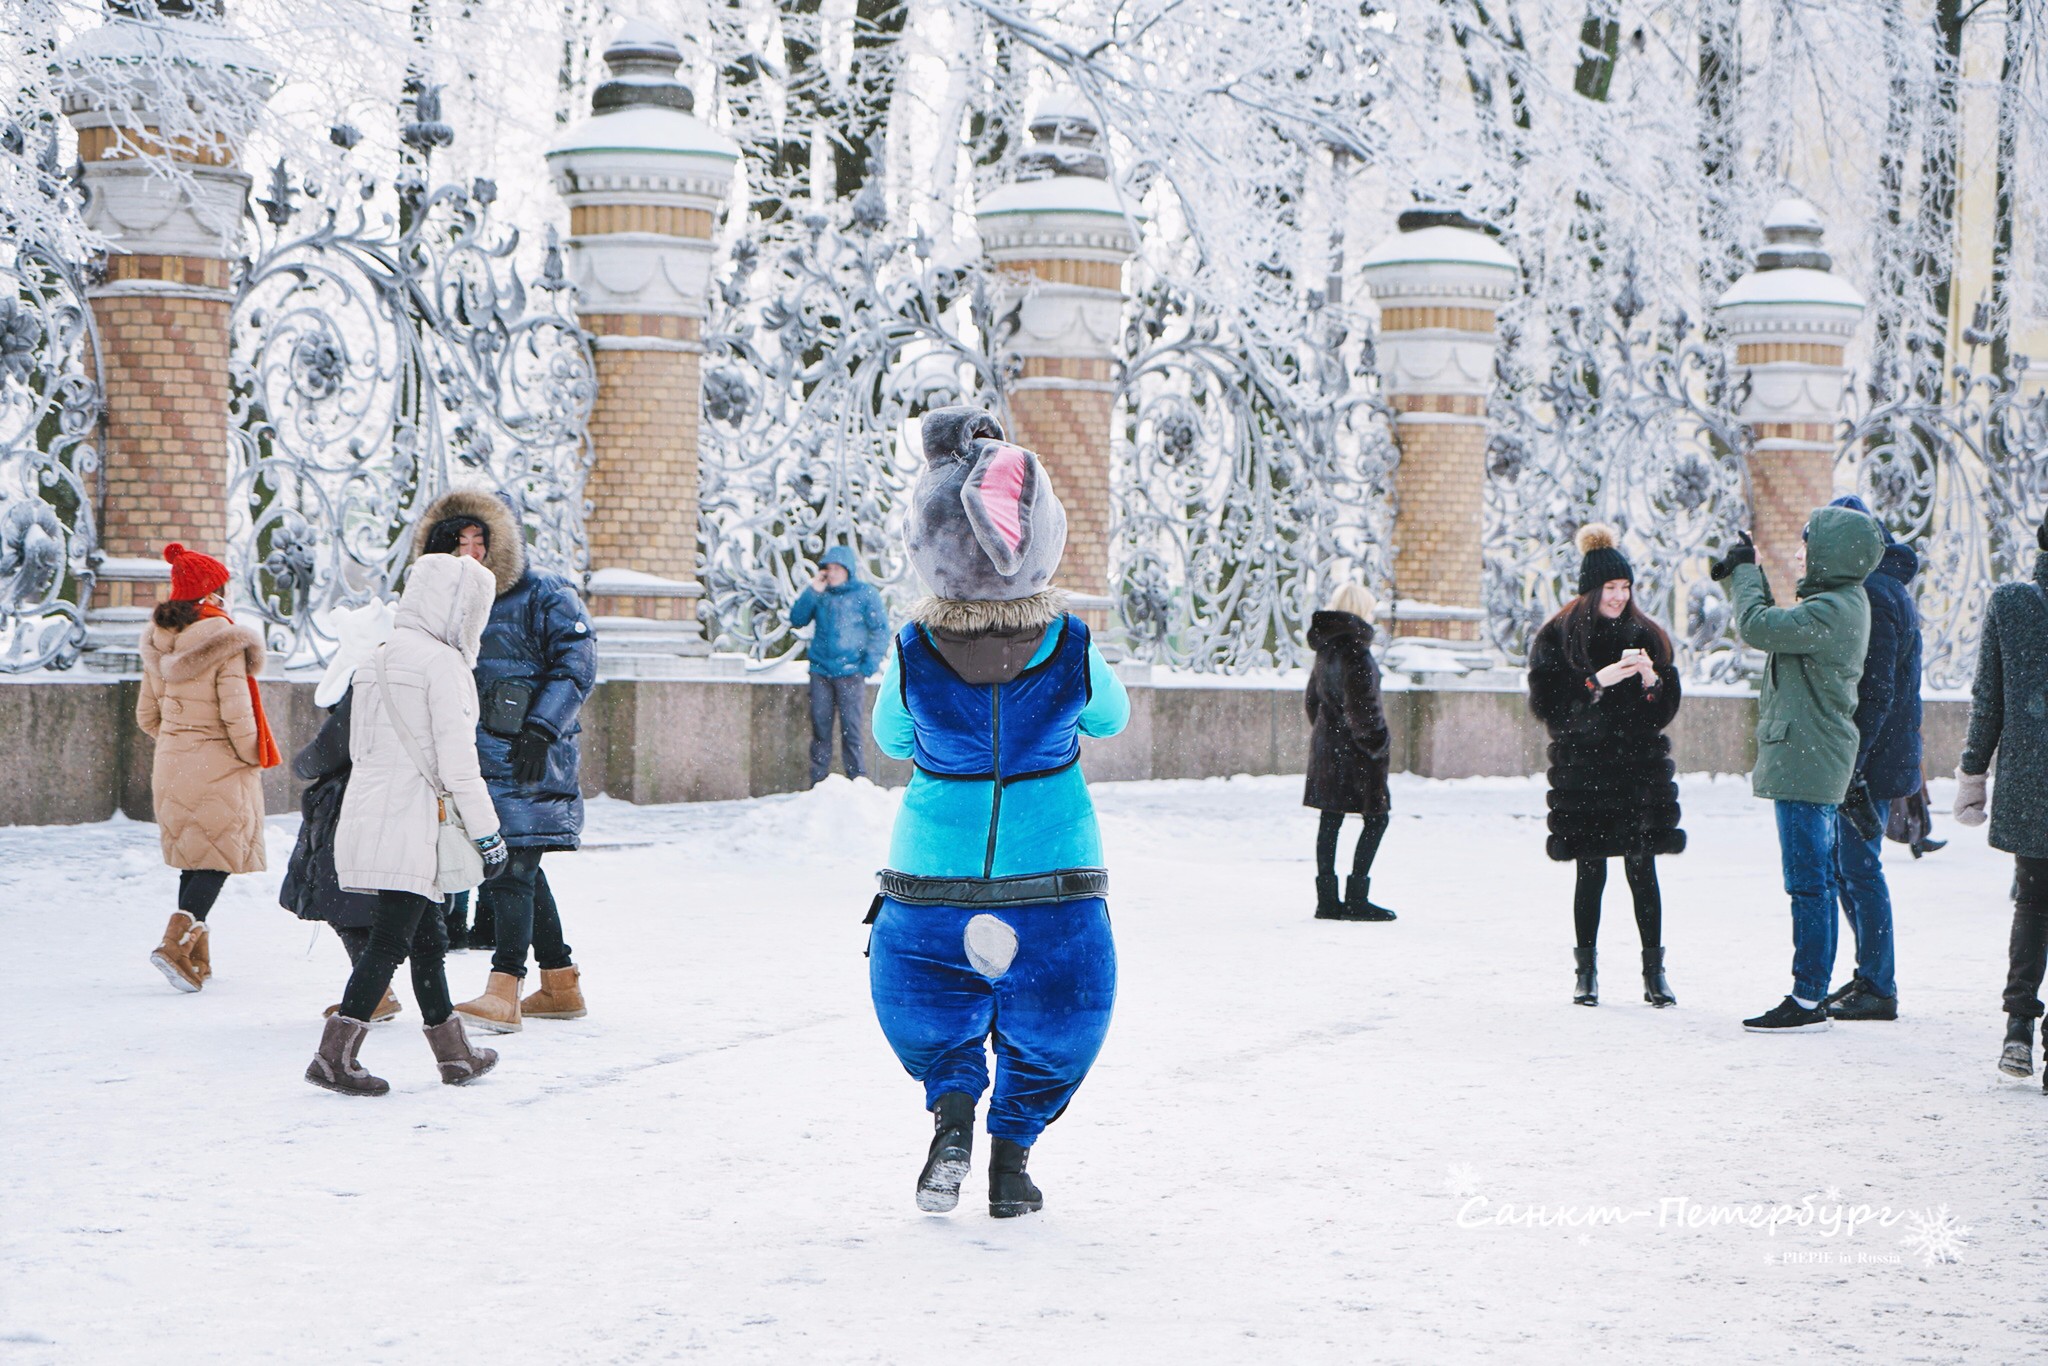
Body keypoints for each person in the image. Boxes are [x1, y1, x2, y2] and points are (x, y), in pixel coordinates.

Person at [868, 407, 1129, 1219]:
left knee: (933, 1012)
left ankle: (952, 1116)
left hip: (931, 875)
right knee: (1059, 1020)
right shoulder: (1073, 644)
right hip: (1053, 871)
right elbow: (1109, 720)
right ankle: (1011, 1165)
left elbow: (889, 736)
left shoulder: (912, 650)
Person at [306, 552, 508, 1095]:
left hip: (370, 811)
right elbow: (459, 766)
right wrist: (488, 834)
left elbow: (360, 745)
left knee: (426, 936)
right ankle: (334, 1058)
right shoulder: (443, 666)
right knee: (392, 941)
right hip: (414, 819)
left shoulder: (376, 658)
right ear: (462, 608)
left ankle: (455, 1055)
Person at [410, 490, 597, 1034]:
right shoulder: (437, 601)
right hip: (464, 752)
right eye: (457, 541)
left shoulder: (542, 592)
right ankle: (560, 984)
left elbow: (577, 661)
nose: (470, 551)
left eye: (480, 540)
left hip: (527, 750)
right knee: (521, 869)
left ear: (502, 543)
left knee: (512, 867)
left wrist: (543, 725)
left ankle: (504, 989)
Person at [1712, 506, 1883, 1033]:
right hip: (1811, 758)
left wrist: (1745, 574)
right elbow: (1771, 623)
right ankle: (1810, 993)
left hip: (1809, 762)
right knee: (1816, 882)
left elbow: (1759, 626)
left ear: (1834, 552)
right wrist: (1746, 572)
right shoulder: (1838, 604)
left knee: (1809, 884)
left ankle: (1807, 999)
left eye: (1809, 547)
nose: (1802, 555)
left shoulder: (1832, 609)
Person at [1527, 525, 1684, 1007]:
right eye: (1611, 588)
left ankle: (1654, 974)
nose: (1619, 597)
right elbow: (1549, 708)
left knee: (1643, 871)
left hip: (1638, 772)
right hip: (1585, 772)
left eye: (1625, 588)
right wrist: (1596, 683)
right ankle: (1586, 973)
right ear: (1592, 588)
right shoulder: (1557, 636)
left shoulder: (1648, 635)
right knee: (1589, 871)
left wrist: (1652, 679)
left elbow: (1662, 712)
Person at [137, 543, 281, 992]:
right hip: (218, 760)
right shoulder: (223, 640)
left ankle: (195, 955)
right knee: (217, 857)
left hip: (173, 761)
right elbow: (237, 715)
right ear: (212, 593)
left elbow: (147, 717)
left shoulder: (159, 639)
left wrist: (182, 741)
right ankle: (174, 944)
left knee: (196, 856)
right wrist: (248, 754)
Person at [1954, 515, 2048, 1087]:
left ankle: (2018, 1028)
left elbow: (1987, 695)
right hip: (2031, 781)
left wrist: (1973, 771)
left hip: (2030, 783)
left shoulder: (2012, 604)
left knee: (2033, 905)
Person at [1822, 495, 1922, 1022]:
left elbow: (1878, 688)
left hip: (1873, 757)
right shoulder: (1878, 588)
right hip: (1877, 752)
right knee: (1849, 867)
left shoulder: (1877, 594)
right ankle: (1870, 975)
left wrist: (1852, 761)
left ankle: (1879, 984)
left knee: (1859, 867)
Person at [280, 602, 401, 1021]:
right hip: (378, 799)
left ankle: (377, 990)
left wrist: (302, 766)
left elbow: (332, 748)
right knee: (367, 901)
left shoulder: (366, 679)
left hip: (353, 803)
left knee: (338, 897)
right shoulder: (399, 673)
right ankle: (386, 991)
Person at [1303, 582, 1396, 921]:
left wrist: (1328, 733)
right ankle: (1357, 898)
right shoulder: (1355, 650)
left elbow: (1313, 701)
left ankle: (1327, 900)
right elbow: (1364, 709)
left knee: (1331, 819)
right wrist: (1378, 743)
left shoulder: (1325, 649)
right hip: (1357, 754)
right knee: (1376, 819)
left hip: (1328, 748)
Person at [790, 544, 892, 785]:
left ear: (848, 570)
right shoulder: (821, 593)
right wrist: (813, 590)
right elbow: (797, 619)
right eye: (828, 568)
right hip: (821, 673)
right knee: (820, 731)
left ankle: (858, 782)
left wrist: (867, 665)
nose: (832, 573)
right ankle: (818, 783)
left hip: (850, 673)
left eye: (837, 568)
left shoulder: (864, 594)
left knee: (852, 732)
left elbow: (880, 630)